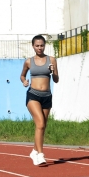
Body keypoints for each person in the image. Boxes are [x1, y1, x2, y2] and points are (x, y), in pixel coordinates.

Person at [20, 35, 59, 166]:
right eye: (37, 45)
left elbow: (56, 79)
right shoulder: (29, 61)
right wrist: (24, 81)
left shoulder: (51, 60)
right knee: (40, 124)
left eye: (41, 45)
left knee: (42, 126)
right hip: (33, 95)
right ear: (33, 46)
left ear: (44, 45)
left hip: (47, 96)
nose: (39, 48)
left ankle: (34, 151)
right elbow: (22, 75)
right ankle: (41, 155)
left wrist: (53, 72)